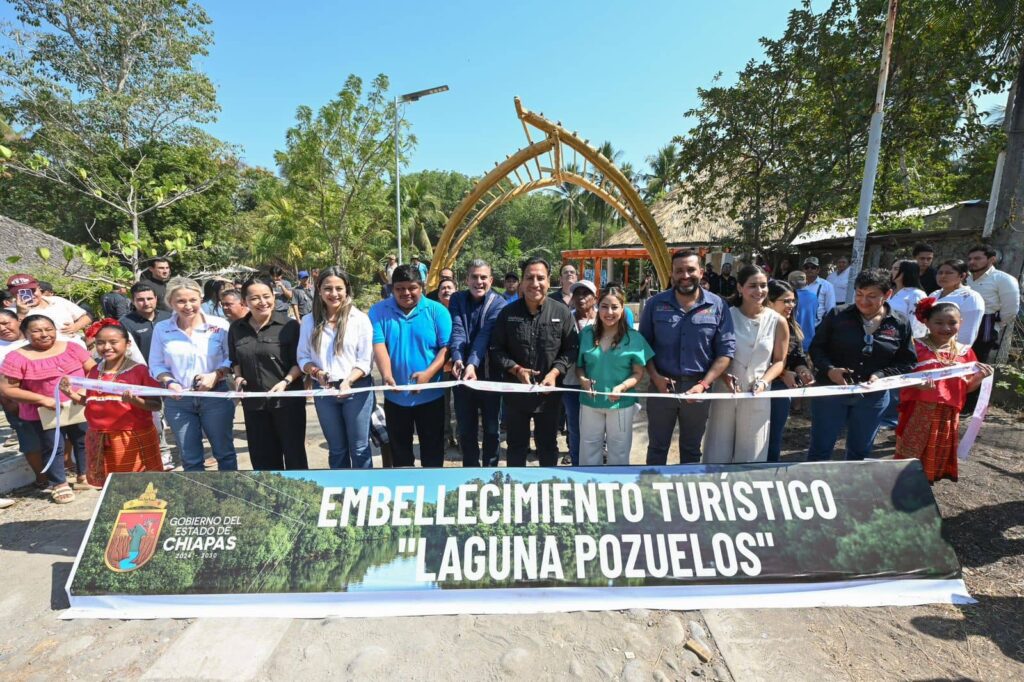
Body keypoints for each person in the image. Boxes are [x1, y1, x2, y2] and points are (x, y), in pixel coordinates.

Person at [807, 268, 916, 461]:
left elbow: (907, 361)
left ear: (887, 294)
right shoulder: (837, 315)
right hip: (831, 394)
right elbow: (817, 349)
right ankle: (814, 486)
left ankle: (851, 489)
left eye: (872, 296)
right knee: (820, 449)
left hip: (872, 398)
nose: (863, 301)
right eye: (859, 294)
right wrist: (830, 370)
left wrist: (881, 375)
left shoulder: (899, 323)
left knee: (860, 452)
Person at [640, 250, 735, 464]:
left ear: (701, 272)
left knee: (692, 450)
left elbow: (725, 352)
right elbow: (643, 346)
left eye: (691, 269)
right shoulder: (655, 304)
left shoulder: (717, 306)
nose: (685, 275)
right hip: (661, 388)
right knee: (657, 448)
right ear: (671, 274)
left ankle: (687, 495)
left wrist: (703, 385)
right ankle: (653, 491)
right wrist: (655, 378)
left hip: (698, 389)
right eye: (679, 270)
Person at [490, 257, 577, 467]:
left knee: (547, 446)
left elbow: (571, 349)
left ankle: (547, 492)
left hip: (550, 396)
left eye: (540, 278)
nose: (535, 283)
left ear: (549, 281)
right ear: (521, 281)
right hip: (516, 395)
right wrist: (516, 369)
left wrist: (554, 373)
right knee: (516, 447)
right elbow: (496, 350)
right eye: (529, 278)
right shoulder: (508, 314)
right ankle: (516, 493)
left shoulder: (562, 313)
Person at [894, 298, 993, 483]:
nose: (946, 328)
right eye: (938, 322)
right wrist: (917, 384)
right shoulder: (916, 347)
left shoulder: (966, 352)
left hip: (947, 413)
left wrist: (979, 378)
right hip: (918, 409)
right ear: (926, 322)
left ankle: (926, 485)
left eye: (952, 323)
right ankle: (904, 483)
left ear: (961, 323)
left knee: (937, 450)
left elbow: (966, 387)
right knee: (911, 449)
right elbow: (899, 378)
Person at [1, 315, 95, 502]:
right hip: (43, 412)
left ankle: (85, 475)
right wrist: (43, 400)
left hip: (77, 404)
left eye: (49, 329)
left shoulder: (72, 347)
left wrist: (84, 390)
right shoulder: (16, 357)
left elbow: (92, 370)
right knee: (52, 446)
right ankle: (58, 483)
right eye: (36, 331)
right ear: (25, 333)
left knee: (84, 440)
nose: (44, 334)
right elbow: (7, 389)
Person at [58, 321, 163, 486]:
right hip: (99, 436)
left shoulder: (139, 371)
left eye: (113, 342)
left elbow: (156, 405)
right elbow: (93, 401)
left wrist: (135, 401)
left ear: (127, 344)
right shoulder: (95, 371)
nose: (106, 347)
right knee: (113, 483)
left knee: (140, 482)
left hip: (131, 435)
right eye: (100, 343)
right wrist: (71, 394)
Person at [149, 277, 237, 472]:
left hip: (215, 396)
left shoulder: (220, 325)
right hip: (179, 400)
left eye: (193, 300)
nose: (188, 306)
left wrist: (216, 374)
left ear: (201, 299)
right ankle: (197, 498)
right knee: (190, 457)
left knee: (224, 453)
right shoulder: (162, 329)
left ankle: (229, 496)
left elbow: (231, 358)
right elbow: (155, 364)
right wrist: (169, 381)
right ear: (170, 303)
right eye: (181, 301)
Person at [704, 265, 788, 464]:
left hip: (757, 394)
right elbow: (712, 354)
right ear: (740, 288)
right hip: (724, 392)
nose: (759, 291)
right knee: (717, 452)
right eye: (753, 286)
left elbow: (779, 361)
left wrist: (764, 381)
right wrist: (723, 376)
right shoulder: (725, 316)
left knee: (751, 455)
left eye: (763, 285)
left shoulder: (777, 320)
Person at [370, 265, 451, 468]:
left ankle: (433, 491)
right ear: (392, 288)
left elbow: (446, 348)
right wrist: (387, 375)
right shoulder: (379, 311)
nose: (406, 293)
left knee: (432, 451)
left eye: (412, 288)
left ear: (421, 287)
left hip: (431, 396)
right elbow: (379, 346)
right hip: (395, 397)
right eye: (400, 288)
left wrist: (428, 375)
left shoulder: (437, 310)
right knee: (400, 453)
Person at [229, 276, 307, 471]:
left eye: (267, 296)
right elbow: (235, 359)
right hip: (254, 405)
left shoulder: (290, 326)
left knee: (294, 455)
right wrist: (237, 376)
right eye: (255, 298)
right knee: (262, 458)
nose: (262, 302)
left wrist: (286, 382)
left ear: (274, 296)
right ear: (244, 301)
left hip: (287, 403)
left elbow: (299, 362)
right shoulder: (236, 329)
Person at [299, 267, 375, 469]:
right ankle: (343, 493)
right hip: (324, 392)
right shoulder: (308, 321)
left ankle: (364, 491)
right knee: (337, 449)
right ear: (319, 289)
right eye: (328, 288)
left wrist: (348, 381)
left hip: (356, 390)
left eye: (339, 288)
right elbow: (303, 357)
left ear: (347, 289)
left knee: (359, 448)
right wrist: (317, 372)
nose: (334, 294)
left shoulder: (360, 319)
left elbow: (365, 360)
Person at [576, 287, 653, 465]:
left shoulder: (633, 338)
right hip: (590, 402)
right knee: (588, 449)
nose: (609, 312)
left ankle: (617, 486)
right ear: (597, 307)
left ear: (622, 308)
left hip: (620, 404)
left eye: (614, 307)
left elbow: (638, 373)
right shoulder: (586, 335)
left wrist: (622, 387)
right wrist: (583, 381)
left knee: (619, 451)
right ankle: (590, 486)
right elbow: (579, 367)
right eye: (604, 306)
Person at [448, 259, 507, 467]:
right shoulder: (457, 299)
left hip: (489, 376)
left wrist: (472, 363)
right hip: (461, 375)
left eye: (483, 277)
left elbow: (485, 335)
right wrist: (457, 357)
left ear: (490, 280)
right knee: (466, 428)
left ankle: (491, 471)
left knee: (492, 429)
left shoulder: (499, 303)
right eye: (474, 277)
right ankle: (470, 470)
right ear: (466, 279)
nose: (479, 281)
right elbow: (457, 329)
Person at [119, 282, 173, 469]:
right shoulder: (126, 323)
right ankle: (163, 453)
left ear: (156, 299)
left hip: (173, 376)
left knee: (176, 415)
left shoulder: (169, 317)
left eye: (149, 298)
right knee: (155, 416)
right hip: (146, 379)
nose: (146, 303)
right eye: (140, 300)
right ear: (133, 301)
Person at [765, 280, 814, 462]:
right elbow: (757, 360)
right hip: (758, 388)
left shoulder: (791, 324)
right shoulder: (759, 325)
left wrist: (802, 368)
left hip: (781, 390)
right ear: (769, 301)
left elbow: (797, 355)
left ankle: (769, 474)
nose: (791, 305)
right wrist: (783, 372)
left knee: (774, 437)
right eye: (785, 301)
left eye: (793, 301)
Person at [0, 309, 47, 492]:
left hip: (48, 398)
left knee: (60, 435)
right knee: (30, 441)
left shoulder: (37, 338)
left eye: (6, 323)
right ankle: (42, 478)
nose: (3, 328)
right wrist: (10, 404)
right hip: (17, 403)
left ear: (18, 320)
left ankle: (65, 469)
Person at [966, 244, 1021, 363]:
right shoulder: (965, 278)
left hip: (985, 326)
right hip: (960, 325)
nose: (972, 262)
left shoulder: (1004, 279)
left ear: (992, 259)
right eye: (970, 259)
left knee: (976, 366)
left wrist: (994, 325)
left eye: (977, 258)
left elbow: (1010, 310)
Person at [563, 280, 598, 465]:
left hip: (600, 383)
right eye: (577, 293)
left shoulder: (605, 318)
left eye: (586, 293)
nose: (581, 297)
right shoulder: (565, 318)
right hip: (571, 383)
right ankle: (577, 464)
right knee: (575, 427)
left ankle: (597, 464)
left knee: (599, 428)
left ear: (595, 297)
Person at [6, 273, 92, 337]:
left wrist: (76, 326)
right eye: (21, 293)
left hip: (73, 350)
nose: (30, 296)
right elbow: (14, 336)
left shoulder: (57, 300)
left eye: (32, 290)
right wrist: (21, 314)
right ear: (13, 295)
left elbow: (87, 316)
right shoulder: (9, 312)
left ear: (39, 288)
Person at [930, 259, 985, 346]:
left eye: (949, 273)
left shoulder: (970, 297)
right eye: (940, 273)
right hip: (929, 345)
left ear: (962, 276)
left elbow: (968, 332)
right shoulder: (934, 294)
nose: (943, 276)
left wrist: (958, 352)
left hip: (951, 349)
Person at [888, 260, 927, 338]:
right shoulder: (888, 291)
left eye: (896, 269)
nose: (891, 271)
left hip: (903, 340)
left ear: (908, 272)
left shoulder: (916, 294)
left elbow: (916, 325)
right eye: (892, 268)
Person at [801, 256, 836, 327]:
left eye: (813, 267)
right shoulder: (797, 284)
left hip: (817, 326)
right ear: (803, 270)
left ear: (818, 270)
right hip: (798, 325)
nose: (809, 269)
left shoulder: (827, 285)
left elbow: (831, 309)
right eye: (806, 267)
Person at [788, 270, 818, 351]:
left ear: (790, 283)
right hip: (810, 340)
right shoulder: (814, 297)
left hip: (792, 341)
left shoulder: (789, 298)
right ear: (806, 282)